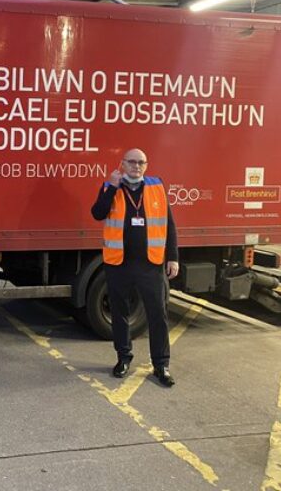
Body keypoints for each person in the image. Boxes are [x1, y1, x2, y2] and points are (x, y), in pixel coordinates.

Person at [91, 148, 179, 387]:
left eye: (141, 162)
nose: (136, 166)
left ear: (146, 165)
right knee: (119, 313)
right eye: (131, 162)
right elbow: (97, 213)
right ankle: (123, 358)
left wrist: (172, 257)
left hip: (150, 263)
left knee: (157, 314)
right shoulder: (111, 187)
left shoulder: (156, 187)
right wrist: (110, 187)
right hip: (119, 263)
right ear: (122, 164)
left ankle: (161, 364)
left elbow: (169, 224)